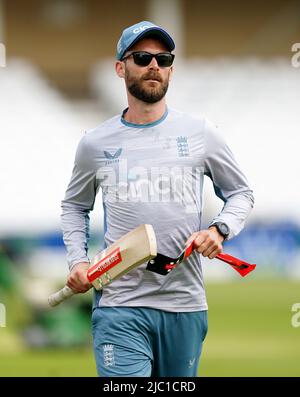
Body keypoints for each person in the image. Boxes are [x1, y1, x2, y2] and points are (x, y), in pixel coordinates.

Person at [61, 21, 254, 377]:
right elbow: (75, 206)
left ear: (171, 70)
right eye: (143, 57)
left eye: (163, 59)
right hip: (120, 305)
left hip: (184, 304)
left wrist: (219, 229)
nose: (154, 65)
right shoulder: (95, 143)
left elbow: (241, 193)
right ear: (121, 67)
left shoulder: (201, 133)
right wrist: (77, 260)